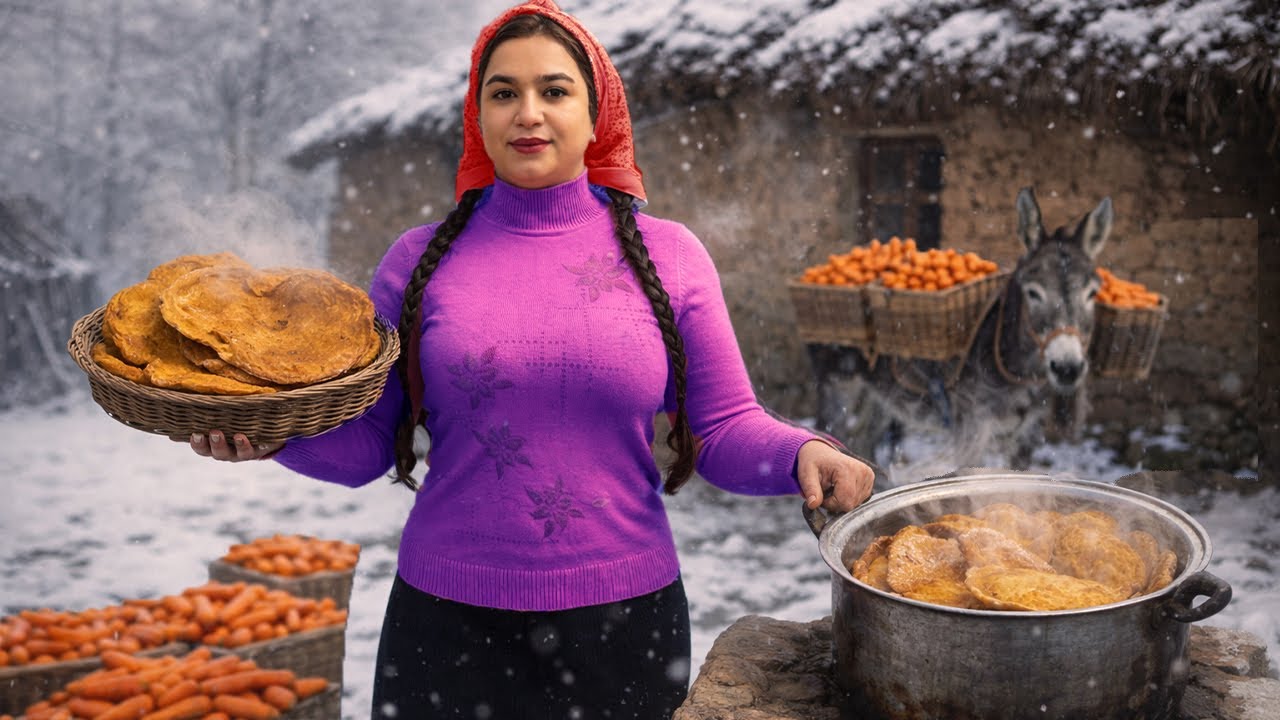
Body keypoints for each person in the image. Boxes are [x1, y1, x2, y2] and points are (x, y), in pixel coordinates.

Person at [180, 0, 874, 716]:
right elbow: (364, 445)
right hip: (444, 624)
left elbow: (723, 427)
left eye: (554, 90)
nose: (528, 113)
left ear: (597, 110)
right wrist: (273, 437)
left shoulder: (670, 256)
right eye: (504, 93)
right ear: (477, 117)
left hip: (624, 623)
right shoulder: (418, 261)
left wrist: (800, 454)